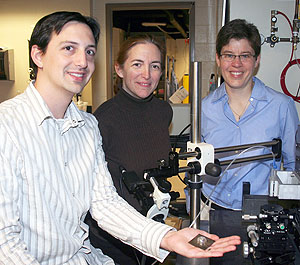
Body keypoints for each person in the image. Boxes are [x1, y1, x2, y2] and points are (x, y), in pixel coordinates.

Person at [0, 11, 241, 265]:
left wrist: (168, 237)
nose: (82, 61)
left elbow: (105, 203)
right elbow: (5, 243)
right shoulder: (8, 126)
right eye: (69, 48)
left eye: (90, 51)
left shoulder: (87, 127)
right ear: (38, 55)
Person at [85, 35, 173, 265]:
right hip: (115, 239)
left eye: (154, 66)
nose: (147, 74)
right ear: (119, 69)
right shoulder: (103, 120)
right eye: (137, 64)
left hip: (153, 227)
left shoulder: (164, 111)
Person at [198, 19, 299, 213]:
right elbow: (196, 165)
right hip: (210, 208)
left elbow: (293, 166)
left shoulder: (281, 106)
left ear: (257, 60)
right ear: (218, 59)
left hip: (262, 211)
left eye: (245, 55)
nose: (236, 64)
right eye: (229, 55)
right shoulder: (204, 108)